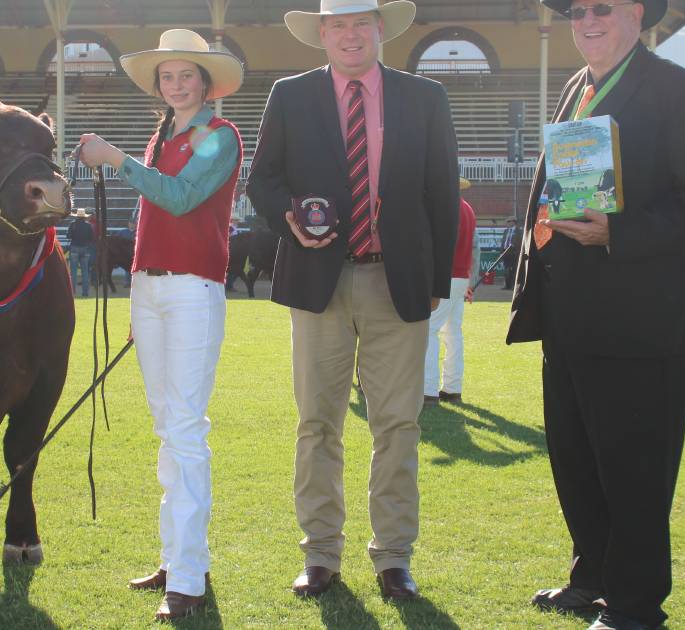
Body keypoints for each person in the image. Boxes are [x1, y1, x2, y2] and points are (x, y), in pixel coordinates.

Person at [507, 1, 685, 628]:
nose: (586, 19)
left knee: (634, 467)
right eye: (577, 10)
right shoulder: (578, 86)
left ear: (636, 13)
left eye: (601, 7)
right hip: (571, 311)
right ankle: (592, 576)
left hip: (642, 319)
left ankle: (634, 605)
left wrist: (616, 232)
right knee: (577, 461)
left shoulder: (678, 91)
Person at [245, 0, 458, 601]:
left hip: (399, 282)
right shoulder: (290, 94)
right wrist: (292, 219)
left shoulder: (425, 97)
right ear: (321, 33)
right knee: (317, 424)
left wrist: (437, 283)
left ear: (379, 30)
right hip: (320, 283)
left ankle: (393, 556)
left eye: (360, 22)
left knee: (399, 425)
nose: (348, 34)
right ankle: (320, 556)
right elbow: (263, 180)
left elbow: (442, 191)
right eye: (336, 24)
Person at [76, 28, 244, 621]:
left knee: (185, 429)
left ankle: (189, 578)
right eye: (167, 77)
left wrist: (115, 160)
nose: (176, 85)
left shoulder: (218, 136)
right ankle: (178, 559)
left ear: (205, 82)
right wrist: (136, 305)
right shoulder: (161, 135)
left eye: (186, 76)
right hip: (149, 289)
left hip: (194, 288)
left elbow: (178, 199)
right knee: (167, 427)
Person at [423, 178, 481, 406]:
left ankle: (428, 389)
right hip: (461, 276)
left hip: (445, 276)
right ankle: (452, 388)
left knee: (429, 331)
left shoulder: (447, 209)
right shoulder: (467, 209)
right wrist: (470, 280)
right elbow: (475, 248)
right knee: (453, 333)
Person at [66, 209, 95, 297]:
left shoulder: (73, 224)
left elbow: (69, 236)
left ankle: (72, 292)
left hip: (74, 247)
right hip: (85, 249)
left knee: (73, 272)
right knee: (85, 272)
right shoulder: (88, 225)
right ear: (84, 216)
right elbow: (91, 238)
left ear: (77, 216)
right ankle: (85, 293)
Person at [500, 217, 519, 289]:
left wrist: (517, 251)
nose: (507, 223)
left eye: (508, 221)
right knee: (506, 269)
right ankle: (507, 285)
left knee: (514, 269)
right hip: (505, 252)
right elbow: (503, 242)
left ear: (513, 222)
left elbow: (519, 242)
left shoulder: (518, 231)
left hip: (513, 253)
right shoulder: (506, 231)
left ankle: (513, 286)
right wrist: (501, 252)